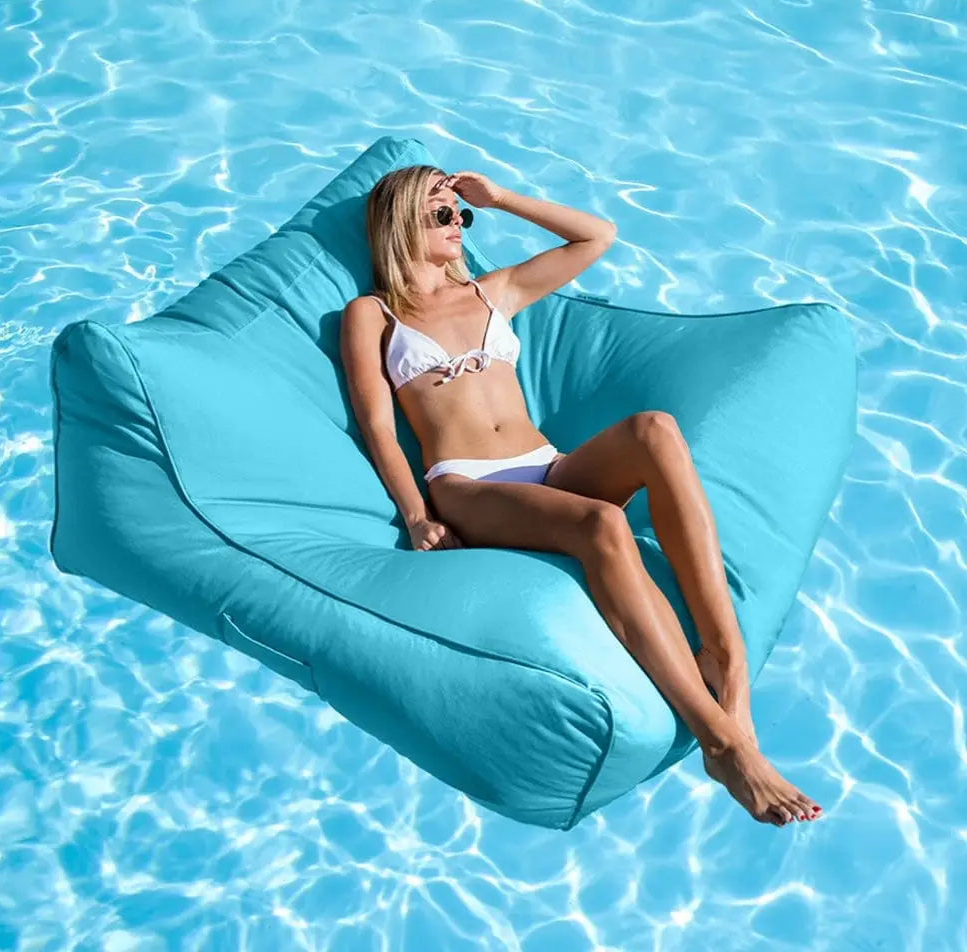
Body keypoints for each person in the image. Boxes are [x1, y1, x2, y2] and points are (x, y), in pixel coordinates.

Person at [339, 165, 823, 828]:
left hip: (546, 465)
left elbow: (596, 237)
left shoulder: (492, 292)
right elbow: (377, 428)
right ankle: (722, 740)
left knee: (656, 430)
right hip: (468, 485)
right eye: (442, 214)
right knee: (600, 525)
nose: (459, 226)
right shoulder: (374, 314)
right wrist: (419, 514)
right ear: (400, 224)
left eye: (461, 215)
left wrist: (501, 199)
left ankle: (725, 658)